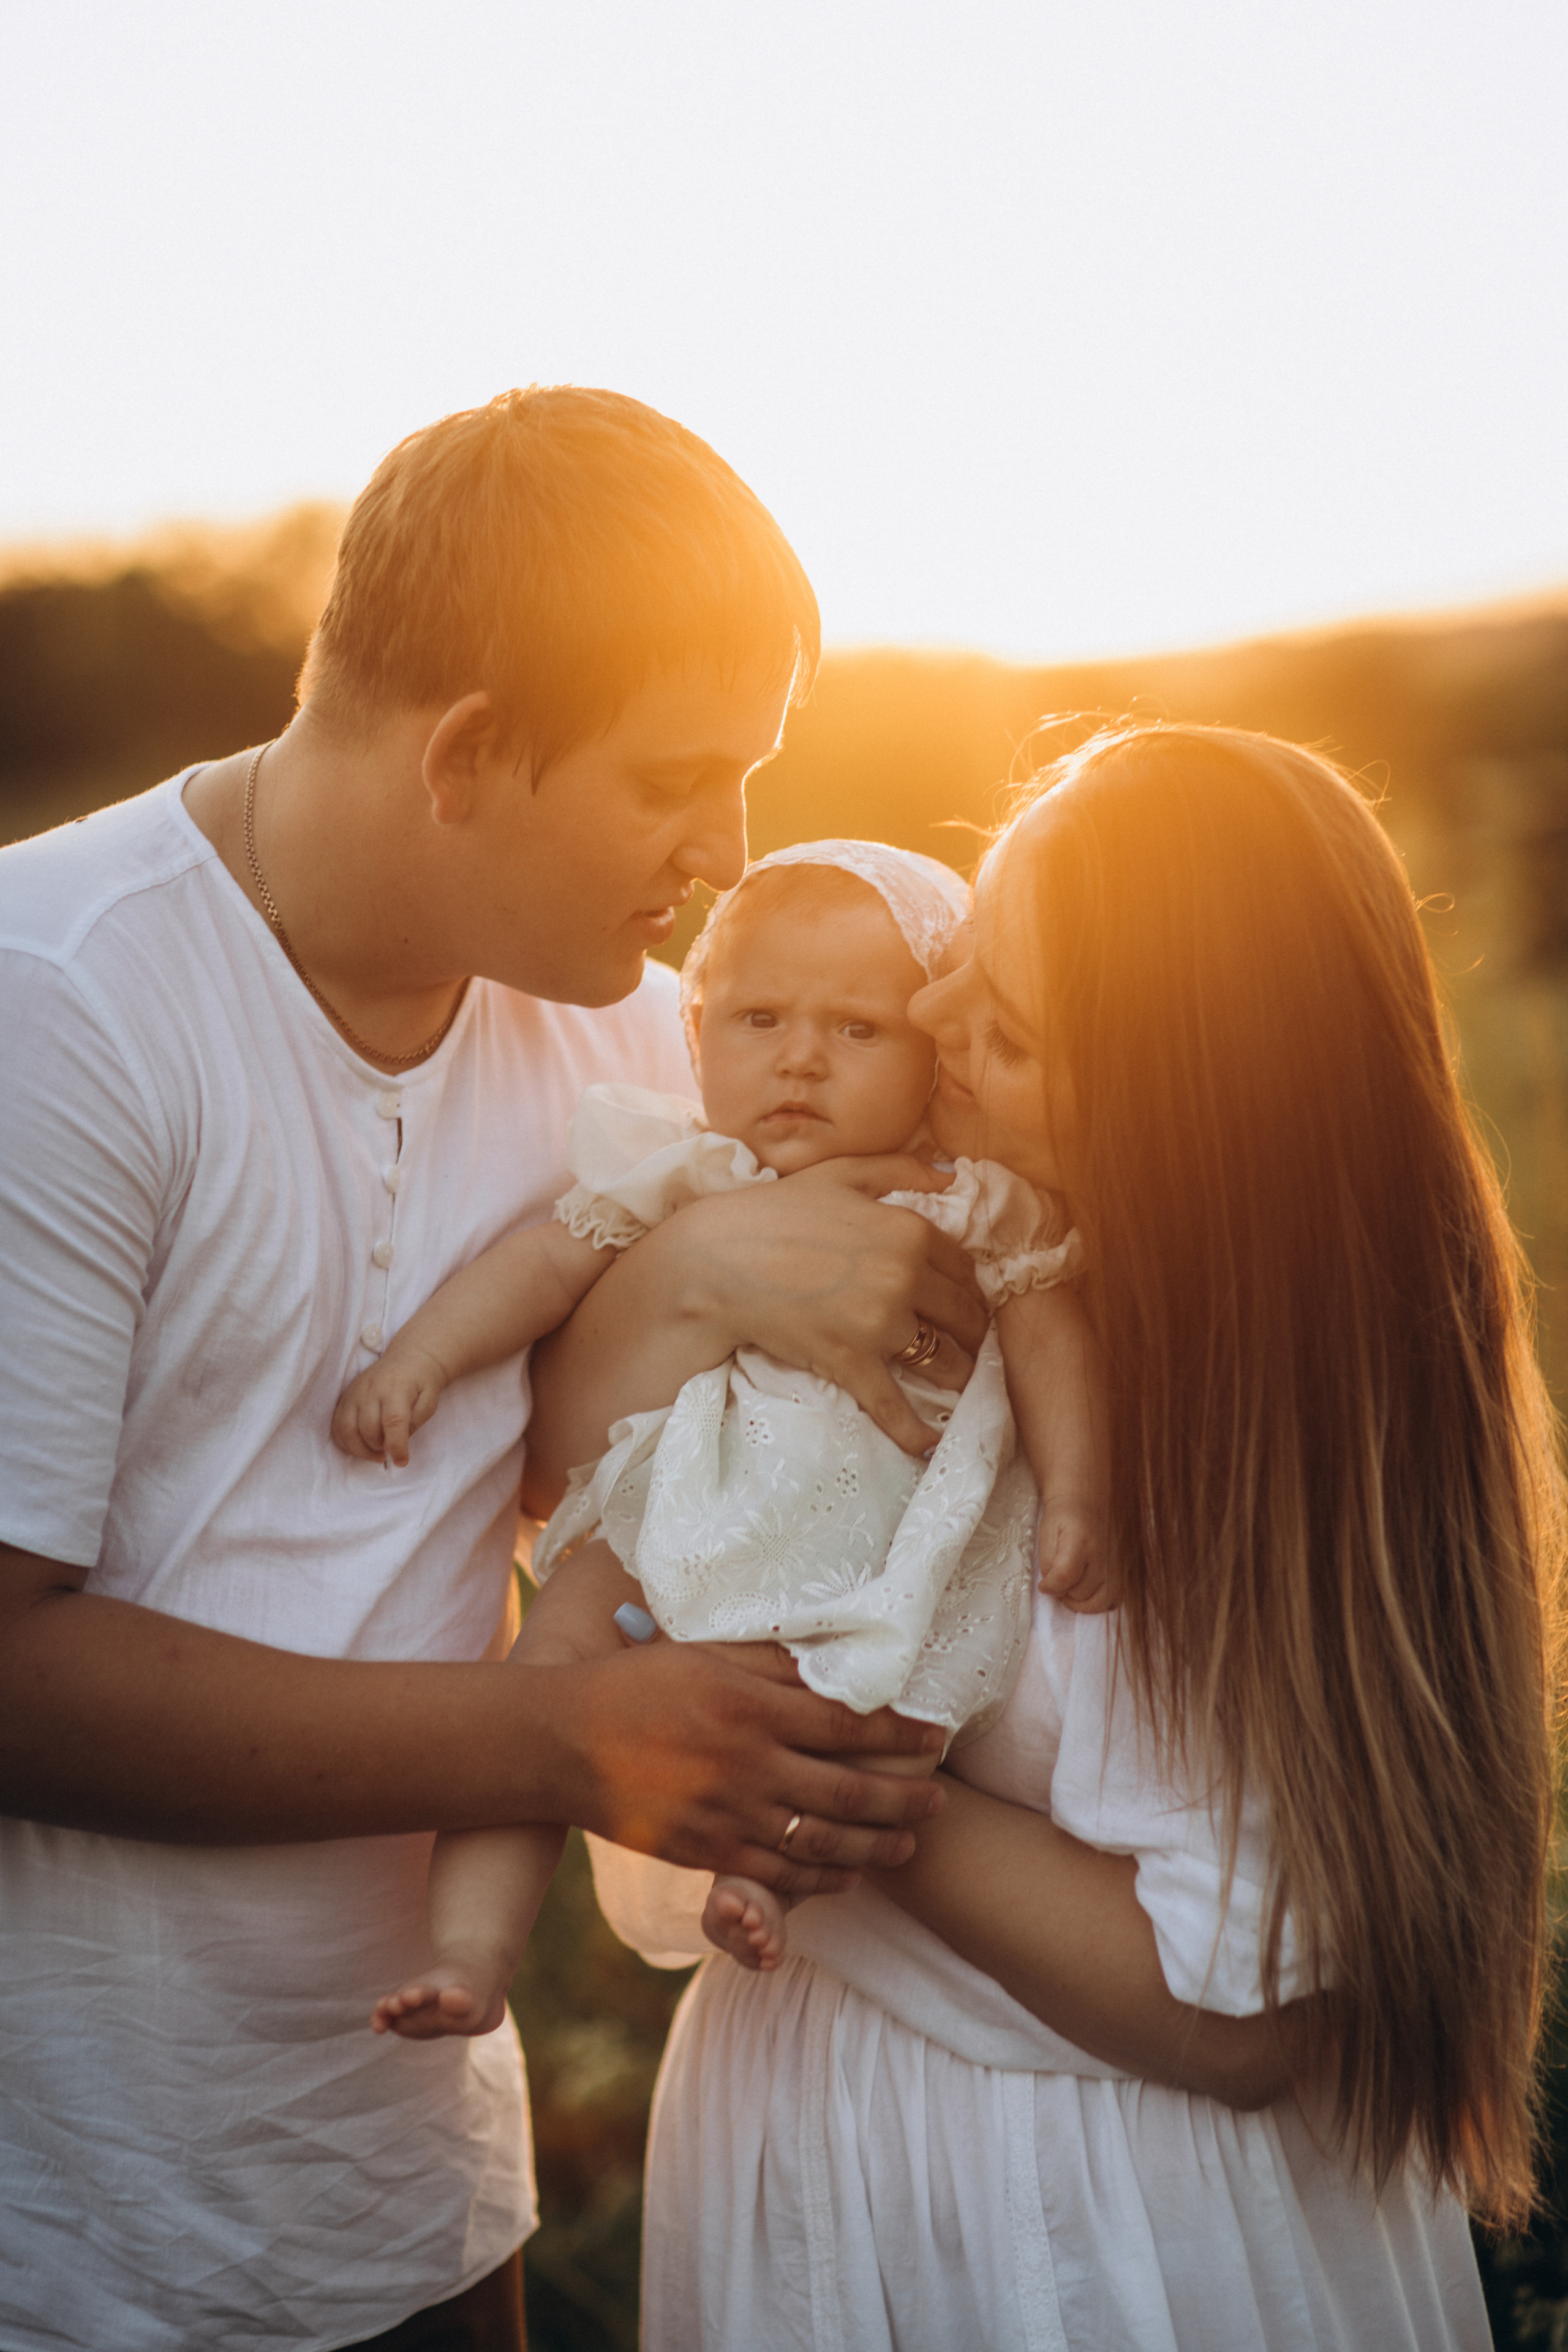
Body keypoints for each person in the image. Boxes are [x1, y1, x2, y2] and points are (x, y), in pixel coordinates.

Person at [0, 388, 979, 2352]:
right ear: (463, 756)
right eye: (681, 781)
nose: (727, 854)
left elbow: (581, 1468)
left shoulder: (618, 1033)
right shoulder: (64, 1006)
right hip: (75, 2209)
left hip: (416, 2173)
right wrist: (569, 1740)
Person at [529, 724, 1563, 2349]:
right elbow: (581, 1486)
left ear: (1165, 1112)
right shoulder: (929, 1241)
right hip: (811, 2132)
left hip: (1088, 2228)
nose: (929, 1019)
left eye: (998, 1027)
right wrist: (689, 1274)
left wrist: (822, 1760)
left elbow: (1231, 2021)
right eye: (961, 963)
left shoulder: (1235, 1411)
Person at [335, 840, 1107, 2035]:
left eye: (857, 1029)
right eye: (757, 1018)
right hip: (677, 1510)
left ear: (934, 1058)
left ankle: (763, 1880)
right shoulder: (690, 1171)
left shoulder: (963, 1198)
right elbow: (546, 1264)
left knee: (880, 1721)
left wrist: (1072, 1491)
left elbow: (1045, 1317)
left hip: (886, 1541)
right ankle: (470, 1954)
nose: (798, 1057)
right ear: (693, 1031)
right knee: (538, 1691)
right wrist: (421, 1360)